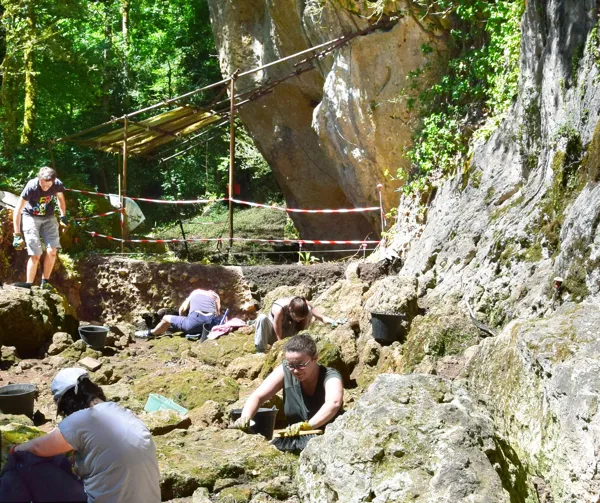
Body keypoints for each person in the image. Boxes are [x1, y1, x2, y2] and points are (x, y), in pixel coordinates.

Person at [12, 368, 161, 503]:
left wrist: (15, 449)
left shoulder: (81, 420)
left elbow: (37, 448)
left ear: (69, 402)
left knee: (24, 461)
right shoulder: (125, 413)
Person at [232, 334, 343, 436]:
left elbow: (334, 403)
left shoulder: (330, 376)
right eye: (291, 365)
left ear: (315, 358)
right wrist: (245, 417)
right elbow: (257, 396)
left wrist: (308, 426)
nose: (295, 370)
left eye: (301, 364)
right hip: (294, 437)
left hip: (327, 438)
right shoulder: (285, 371)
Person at [12, 166, 68, 289]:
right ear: (39, 179)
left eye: (48, 186)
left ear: (53, 181)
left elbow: (61, 199)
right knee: (36, 254)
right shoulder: (31, 187)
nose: (45, 188)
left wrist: (63, 216)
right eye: (42, 185)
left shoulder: (57, 184)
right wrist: (16, 235)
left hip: (49, 217)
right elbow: (18, 210)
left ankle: (45, 282)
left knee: (52, 251)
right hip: (30, 216)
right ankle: (29, 283)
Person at [254, 296, 339, 353]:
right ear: (290, 309)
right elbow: (277, 333)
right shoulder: (279, 309)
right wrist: (279, 347)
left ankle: (301, 342)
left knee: (309, 310)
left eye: (300, 319)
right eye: (296, 318)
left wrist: (333, 322)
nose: (298, 320)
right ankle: (260, 350)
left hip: (290, 334)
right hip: (274, 333)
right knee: (261, 318)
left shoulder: (304, 303)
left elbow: (321, 317)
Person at [135, 288, 221, 338]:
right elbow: (218, 314)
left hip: (194, 322)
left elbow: (182, 309)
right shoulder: (216, 297)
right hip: (209, 326)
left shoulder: (196, 292)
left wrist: (183, 321)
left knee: (166, 318)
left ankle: (150, 333)